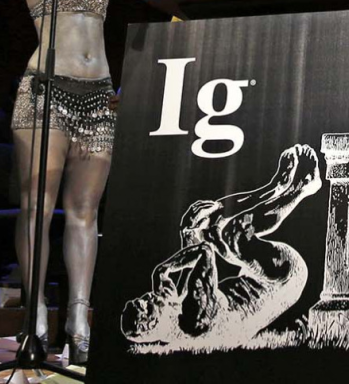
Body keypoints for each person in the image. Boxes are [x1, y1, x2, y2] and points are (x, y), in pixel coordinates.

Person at [11, 0, 147, 365]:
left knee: (85, 212)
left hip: (97, 99)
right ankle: (34, 315)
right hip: (45, 92)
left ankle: (78, 318)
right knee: (37, 207)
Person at [121, 144, 322, 351]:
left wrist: (188, 235)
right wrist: (163, 268)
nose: (148, 296)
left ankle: (274, 188)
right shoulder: (195, 317)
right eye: (146, 304)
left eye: (141, 298)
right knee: (234, 234)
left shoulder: (171, 317)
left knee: (211, 229)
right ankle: (300, 189)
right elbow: (204, 252)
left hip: (257, 279)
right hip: (284, 276)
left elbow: (189, 275)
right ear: (151, 324)